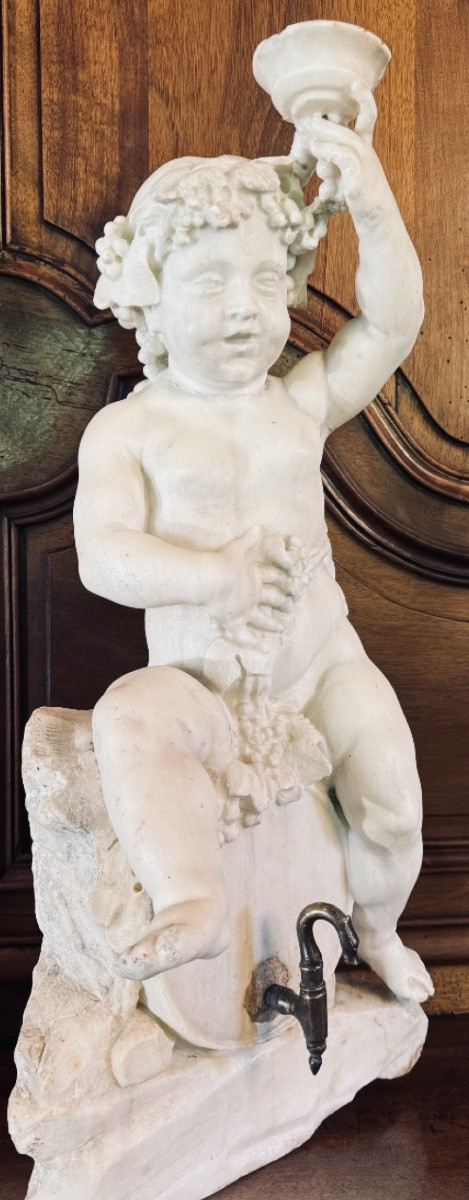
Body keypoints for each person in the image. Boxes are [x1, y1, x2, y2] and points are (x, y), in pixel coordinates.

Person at [74, 103, 434, 1003]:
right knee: (128, 717)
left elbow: (391, 323)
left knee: (392, 799)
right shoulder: (131, 429)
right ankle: (189, 896)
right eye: (209, 284)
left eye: (267, 282)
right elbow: (101, 555)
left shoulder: (296, 404)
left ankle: (378, 929)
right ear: (152, 289)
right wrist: (216, 576)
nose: (245, 310)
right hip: (202, 686)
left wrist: (372, 200)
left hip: (320, 664)